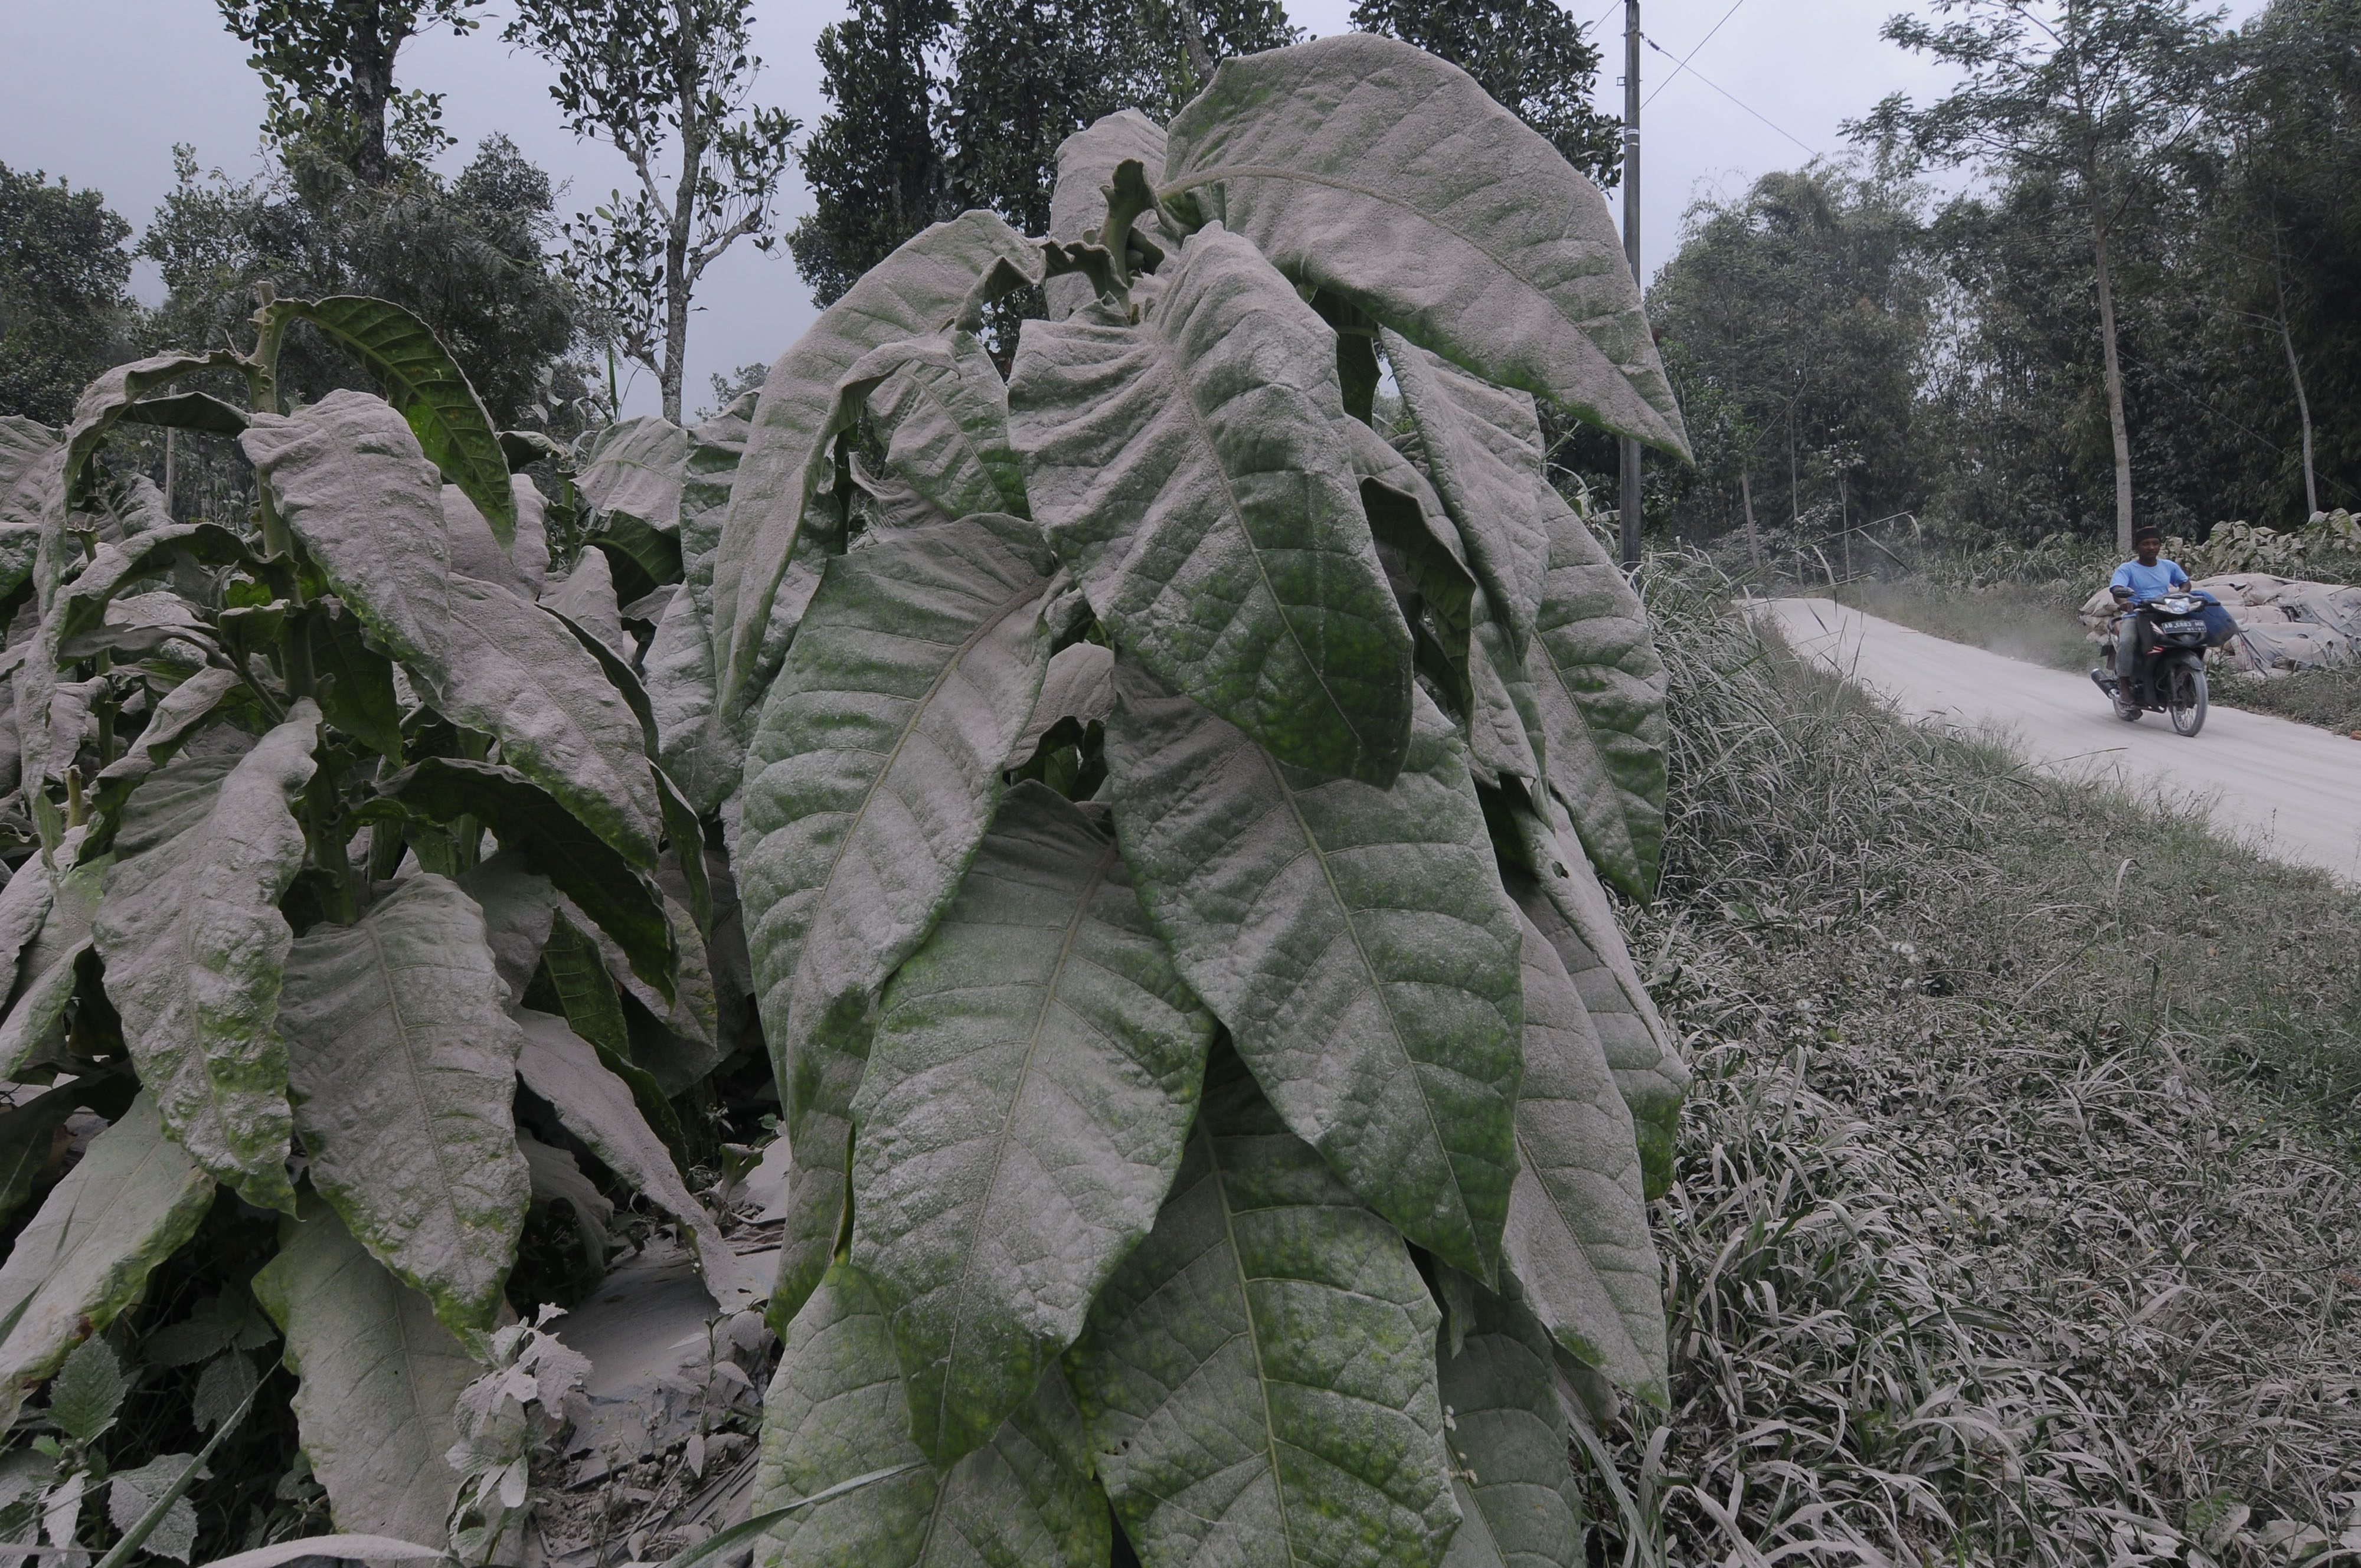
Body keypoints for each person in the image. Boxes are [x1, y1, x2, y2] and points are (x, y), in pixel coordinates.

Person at [2107, 525, 2232, 685]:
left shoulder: (2169, 566)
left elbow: (2185, 583)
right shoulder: (2127, 569)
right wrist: (2125, 603)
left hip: (2167, 611)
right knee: (2127, 642)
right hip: (2139, 613)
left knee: (2194, 637)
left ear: (2160, 545)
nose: (2151, 547)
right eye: (2146, 544)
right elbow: (2117, 589)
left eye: (2155, 543)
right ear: (2137, 547)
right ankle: (2124, 686)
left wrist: (2182, 594)